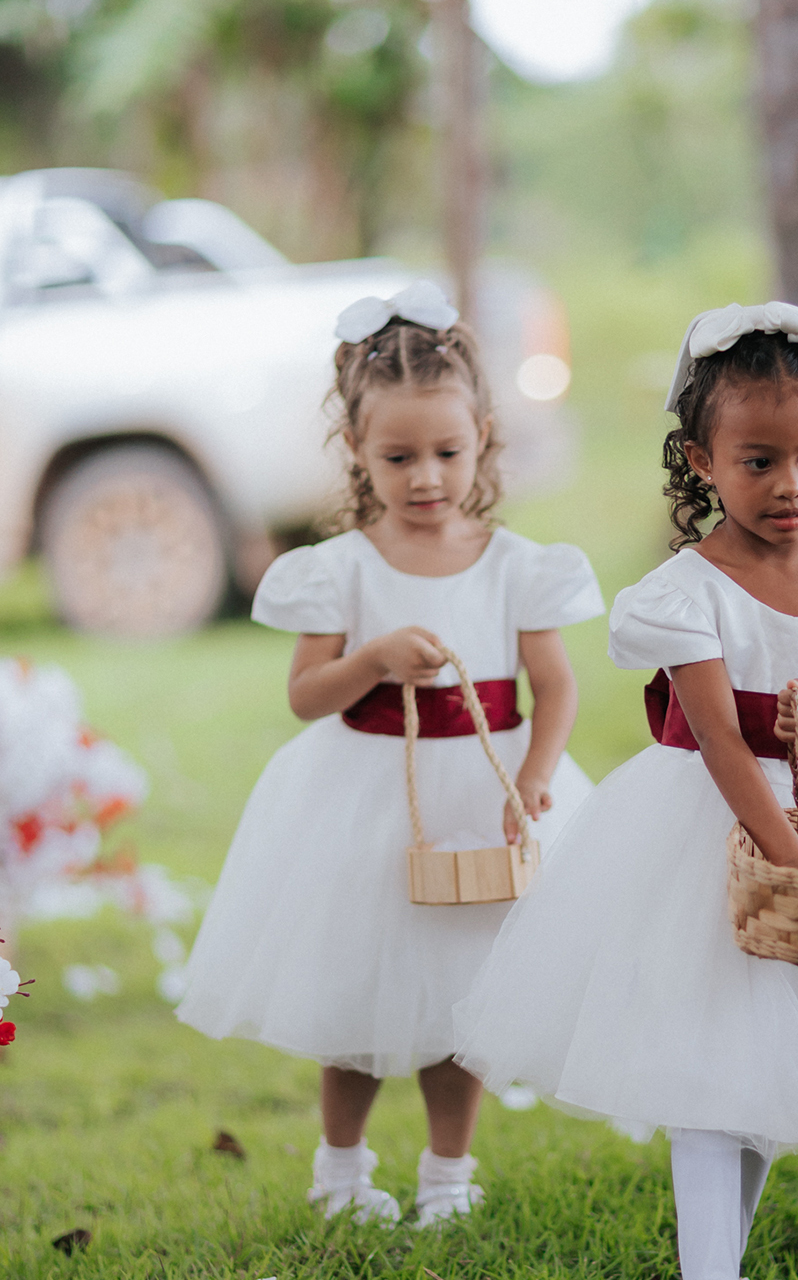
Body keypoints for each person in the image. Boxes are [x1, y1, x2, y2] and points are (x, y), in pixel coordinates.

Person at [455, 301, 798, 1280]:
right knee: (707, 1066)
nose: (790, 486)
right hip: (709, 839)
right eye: (758, 461)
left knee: (773, 1070)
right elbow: (718, 739)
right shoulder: (686, 594)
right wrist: (785, 851)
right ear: (702, 460)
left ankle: (723, 1272)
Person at [178, 281, 604, 1229]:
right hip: (369, 803)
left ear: (482, 437)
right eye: (398, 457)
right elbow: (306, 696)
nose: (424, 478)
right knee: (358, 1007)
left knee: (466, 1003)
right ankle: (341, 1171)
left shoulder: (517, 565)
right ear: (356, 451)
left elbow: (556, 687)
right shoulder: (339, 570)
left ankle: (447, 1175)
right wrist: (371, 659)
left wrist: (536, 773)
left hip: (484, 795)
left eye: (446, 453)